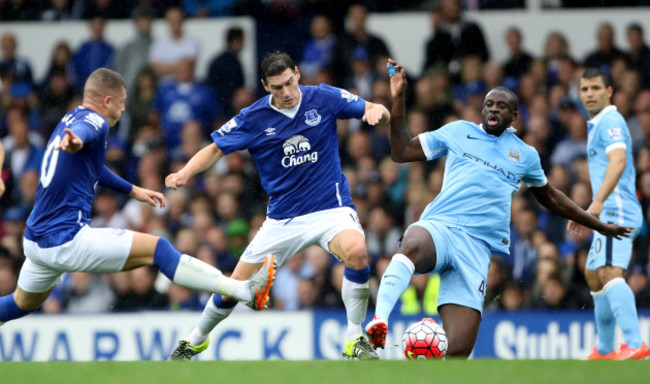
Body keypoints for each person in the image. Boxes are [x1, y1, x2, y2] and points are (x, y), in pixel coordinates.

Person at [364, 59, 632, 358]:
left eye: (501, 106)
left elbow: (551, 197)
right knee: (412, 242)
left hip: (477, 249)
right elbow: (401, 152)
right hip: (442, 227)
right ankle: (380, 320)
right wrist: (398, 98)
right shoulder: (458, 131)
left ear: (514, 116)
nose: (493, 109)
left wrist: (597, 224)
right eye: (489, 104)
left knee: (458, 350)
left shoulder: (525, 155)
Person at [0, 68, 276, 327]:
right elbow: (86, 134)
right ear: (106, 100)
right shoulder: (94, 121)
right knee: (160, 250)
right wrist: (77, 142)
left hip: (36, 240)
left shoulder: (70, 116)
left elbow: (94, 168)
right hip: (66, 240)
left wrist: (133, 190)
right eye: (120, 102)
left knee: (19, 304)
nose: (122, 109)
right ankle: (242, 290)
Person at [165, 51, 390, 361]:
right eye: (276, 88)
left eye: (289, 83)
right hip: (283, 219)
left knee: (357, 251)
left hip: (330, 209)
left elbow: (372, 107)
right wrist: (185, 172)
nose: (286, 93)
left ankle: (355, 337)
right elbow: (216, 149)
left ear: (297, 73)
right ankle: (195, 340)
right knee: (235, 286)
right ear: (264, 86)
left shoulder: (322, 96)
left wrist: (377, 112)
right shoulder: (253, 117)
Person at [569, 68, 649, 360]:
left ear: (609, 91)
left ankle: (635, 342)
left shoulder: (611, 121)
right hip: (608, 212)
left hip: (618, 211)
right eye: (585, 89)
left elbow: (618, 161)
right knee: (593, 275)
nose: (589, 94)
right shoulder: (598, 124)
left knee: (608, 272)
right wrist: (588, 213)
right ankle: (604, 350)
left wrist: (598, 202)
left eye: (595, 88)